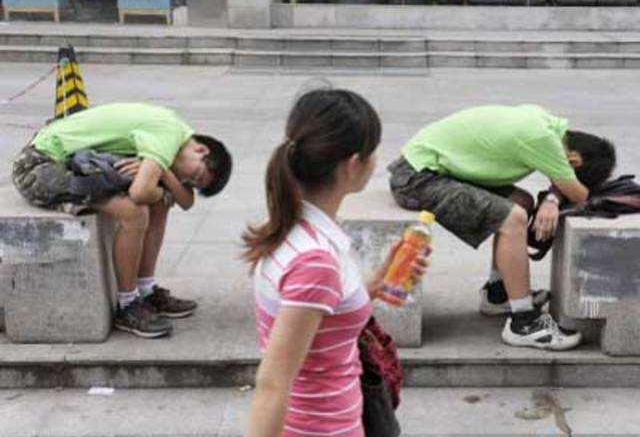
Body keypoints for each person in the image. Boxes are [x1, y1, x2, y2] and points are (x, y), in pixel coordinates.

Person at [243, 88, 427, 437]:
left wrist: (374, 284)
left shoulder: (298, 228)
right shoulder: (315, 260)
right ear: (353, 164)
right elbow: (272, 384)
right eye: (373, 153)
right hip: (322, 427)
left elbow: (319, 317)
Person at [388, 104, 616, 351]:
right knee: (513, 218)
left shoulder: (546, 123)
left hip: (426, 168)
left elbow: (563, 183)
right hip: (416, 179)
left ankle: (498, 294)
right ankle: (523, 323)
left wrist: (551, 199)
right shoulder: (541, 139)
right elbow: (580, 195)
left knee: (522, 201)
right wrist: (559, 195)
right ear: (575, 160)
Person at [12, 102, 232, 339]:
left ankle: (146, 292)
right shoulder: (167, 133)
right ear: (201, 150)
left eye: (193, 183)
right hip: (38, 166)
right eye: (196, 175)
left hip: (66, 160)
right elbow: (140, 192)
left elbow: (186, 201)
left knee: (160, 201)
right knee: (134, 212)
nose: (188, 180)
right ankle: (127, 306)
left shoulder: (173, 132)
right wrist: (163, 185)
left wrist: (166, 175)